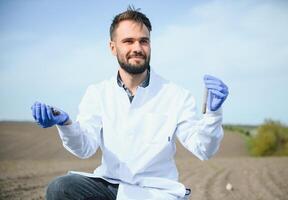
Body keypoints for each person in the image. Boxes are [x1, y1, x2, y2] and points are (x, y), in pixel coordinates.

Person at [31, 6, 229, 200]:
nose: (137, 48)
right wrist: (65, 124)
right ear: (113, 47)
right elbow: (84, 148)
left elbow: (204, 148)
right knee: (61, 188)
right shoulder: (98, 93)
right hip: (110, 187)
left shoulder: (177, 95)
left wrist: (214, 113)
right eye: (128, 41)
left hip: (157, 193)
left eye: (144, 41)